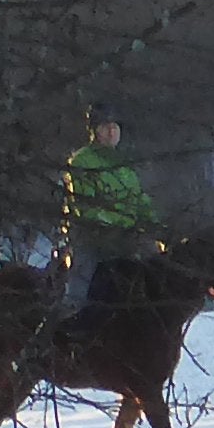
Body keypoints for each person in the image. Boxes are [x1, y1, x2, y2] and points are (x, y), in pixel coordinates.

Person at [53, 106, 159, 320]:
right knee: (82, 278)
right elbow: (86, 205)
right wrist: (118, 225)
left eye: (115, 127)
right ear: (95, 131)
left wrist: (153, 223)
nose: (112, 132)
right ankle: (69, 321)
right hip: (93, 236)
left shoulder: (124, 163)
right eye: (106, 127)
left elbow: (139, 199)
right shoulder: (83, 161)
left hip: (128, 236)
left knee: (158, 271)